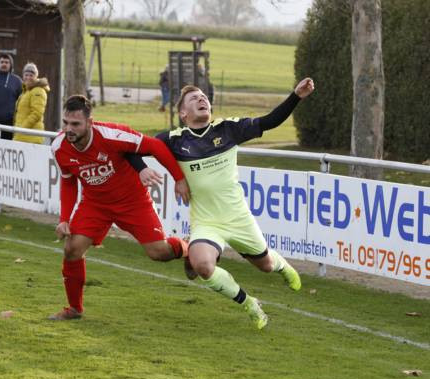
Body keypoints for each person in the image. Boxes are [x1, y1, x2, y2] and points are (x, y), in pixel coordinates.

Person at [150, 78, 315, 329]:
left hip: (238, 218)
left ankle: (282, 265)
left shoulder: (228, 128)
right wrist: (177, 176)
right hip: (206, 222)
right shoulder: (173, 139)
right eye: (194, 99)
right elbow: (134, 149)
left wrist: (296, 96)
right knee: (203, 265)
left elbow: (269, 121)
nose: (201, 99)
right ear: (183, 114)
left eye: (204, 97)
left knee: (266, 266)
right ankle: (250, 303)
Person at [49, 95, 191, 321]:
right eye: (65, 123)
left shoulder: (112, 135)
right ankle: (74, 309)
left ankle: (187, 247)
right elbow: (68, 181)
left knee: (159, 253)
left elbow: (154, 145)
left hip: (132, 201)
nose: (69, 129)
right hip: (95, 204)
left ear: (90, 122)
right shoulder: (58, 147)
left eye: (75, 124)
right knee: (72, 249)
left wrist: (179, 179)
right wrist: (64, 218)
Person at [13, 62, 49, 143]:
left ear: (36, 76)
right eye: (26, 75)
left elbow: (37, 113)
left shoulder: (38, 90)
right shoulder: (26, 91)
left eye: (31, 75)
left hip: (31, 137)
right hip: (22, 136)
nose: (28, 77)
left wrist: (22, 128)